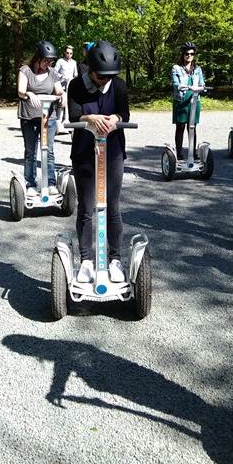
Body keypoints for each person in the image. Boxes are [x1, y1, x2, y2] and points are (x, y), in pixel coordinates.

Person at [67, 40, 130, 284]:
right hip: (84, 152)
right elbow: (74, 115)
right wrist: (90, 118)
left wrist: (115, 118)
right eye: (100, 76)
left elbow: (124, 113)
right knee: (87, 206)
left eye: (109, 77)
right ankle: (86, 261)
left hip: (112, 152)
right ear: (91, 70)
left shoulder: (119, 85)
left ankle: (115, 259)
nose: (105, 81)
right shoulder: (76, 85)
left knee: (112, 206)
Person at [17, 40, 63, 196]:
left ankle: (50, 183)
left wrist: (62, 95)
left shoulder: (53, 73)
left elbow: (58, 90)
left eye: (51, 61)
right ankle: (30, 183)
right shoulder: (25, 70)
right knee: (31, 151)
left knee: (48, 150)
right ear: (38, 57)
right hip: (29, 117)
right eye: (46, 60)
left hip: (48, 117)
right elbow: (20, 91)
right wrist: (29, 93)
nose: (48, 63)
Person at [171, 42, 205, 160]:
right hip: (181, 100)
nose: (189, 56)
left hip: (194, 100)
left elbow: (202, 83)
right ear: (183, 54)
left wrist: (202, 87)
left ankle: (193, 152)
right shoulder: (176, 68)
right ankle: (179, 154)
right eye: (187, 53)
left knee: (192, 127)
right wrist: (183, 87)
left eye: (192, 54)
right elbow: (175, 83)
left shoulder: (198, 69)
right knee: (180, 126)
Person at [55, 44, 78, 131]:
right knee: (61, 104)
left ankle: (66, 122)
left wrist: (73, 80)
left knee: (69, 105)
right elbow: (54, 72)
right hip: (62, 87)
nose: (69, 55)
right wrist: (62, 77)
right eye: (67, 53)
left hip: (70, 87)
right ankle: (58, 123)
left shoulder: (74, 62)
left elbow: (75, 74)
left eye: (71, 53)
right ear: (64, 52)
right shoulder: (60, 61)